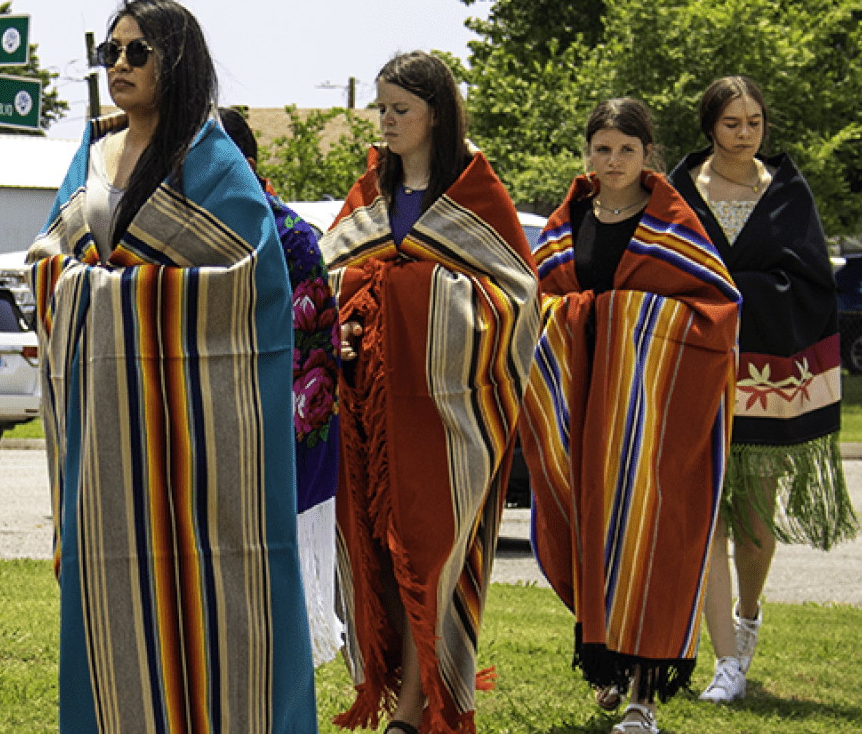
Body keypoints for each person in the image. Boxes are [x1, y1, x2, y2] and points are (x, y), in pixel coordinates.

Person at [26, 0, 317, 733]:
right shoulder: (91, 153)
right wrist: (76, 286)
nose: (118, 65)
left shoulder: (211, 160)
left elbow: (254, 282)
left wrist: (109, 291)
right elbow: (48, 259)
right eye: (109, 53)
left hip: (199, 439)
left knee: (214, 594)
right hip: (108, 433)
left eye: (136, 52)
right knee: (110, 590)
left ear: (176, 62)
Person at [320, 51, 540, 734]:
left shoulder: (473, 195)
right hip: (369, 415)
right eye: (381, 108)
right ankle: (399, 695)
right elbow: (330, 284)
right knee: (380, 552)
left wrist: (404, 298)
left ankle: (417, 709)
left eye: (400, 109)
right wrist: (348, 324)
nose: (385, 122)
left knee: (434, 558)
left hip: (449, 418)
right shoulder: (370, 195)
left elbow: (517, 301)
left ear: (436, 114)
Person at [520, 99, 740, 734]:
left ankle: (643, 694)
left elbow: (720, 309)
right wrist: (577, 317)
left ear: (649, 156)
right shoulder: (566, 226)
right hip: (585, 417)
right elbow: (539, 303)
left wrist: (629, 321)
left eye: (625, 150)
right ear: (587, 153)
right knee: (594, 536)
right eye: (601, 149)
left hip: (657, 421)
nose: (611, 161)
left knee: (652, 541)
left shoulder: (674, 227)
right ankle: (610, 663)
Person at [668, 76, 858, 704]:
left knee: (752, 525)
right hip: (690, 375)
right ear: (709, 128)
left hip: (765, 382)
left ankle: (748, 617)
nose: (745, 133)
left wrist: (731, 288)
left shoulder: (788, 194)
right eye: (732, 123)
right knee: (703, 524)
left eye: (754, 122)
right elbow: (661, 267)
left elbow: (810, 282)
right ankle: (723, 658)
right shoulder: (676, 191)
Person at [218, 106, 345, 666]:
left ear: (241, 162)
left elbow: (309, 349)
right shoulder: (172, 230)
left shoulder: (288, 236)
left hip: (265, 431)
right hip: (198, 422)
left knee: (262, 578)